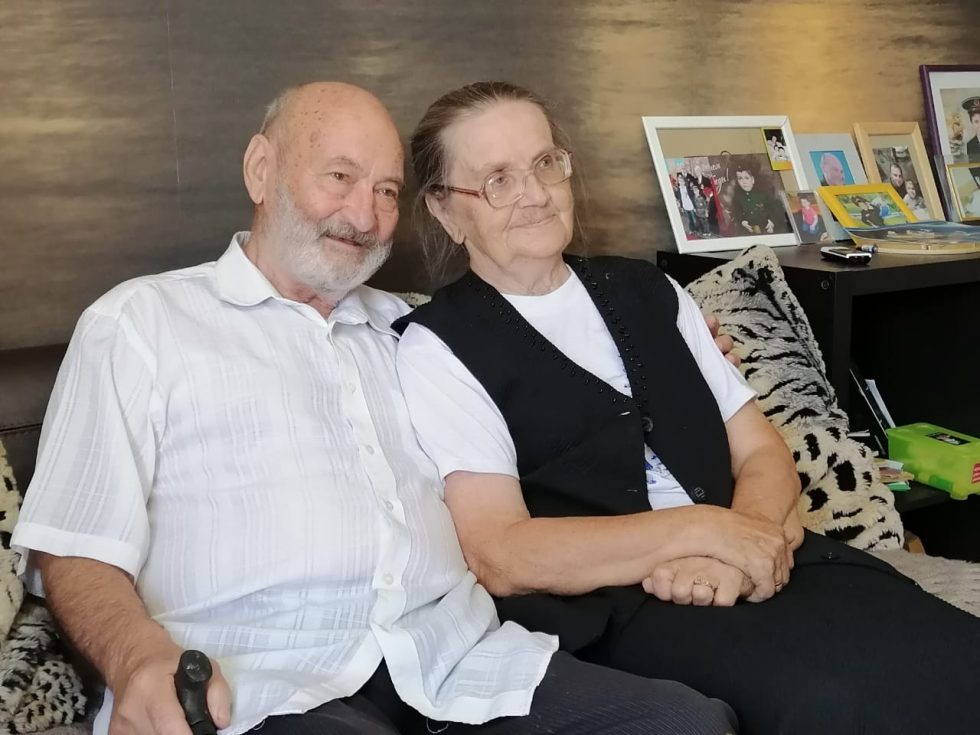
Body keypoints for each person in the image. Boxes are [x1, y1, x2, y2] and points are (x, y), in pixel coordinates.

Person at [11, 82, 739, 735]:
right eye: (340, 177)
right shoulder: (141, 324)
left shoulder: (417, 331)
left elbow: (544, 400)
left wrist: (678, 358)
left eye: (387, 191)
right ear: (261, 170)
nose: (364, 215)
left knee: (690, 723)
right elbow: (73, 543)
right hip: (265, 683)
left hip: (459, 663)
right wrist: (137, 659)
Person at [393, 80, 980, 735]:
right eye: (497, 180)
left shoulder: (651, 290)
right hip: (622, 611)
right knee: (844, 704)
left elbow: (761, 450)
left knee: (956, 653)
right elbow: (502, 553)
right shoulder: (438, 347)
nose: (533, 193)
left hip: (770, 561)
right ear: (445, 210)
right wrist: (703, 533)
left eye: (544, 163)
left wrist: (746, 544)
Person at [729, 162, 786, 234]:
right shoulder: (737, 198)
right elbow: (736, 211)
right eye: (740, 178)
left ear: (752, 179)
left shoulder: (763, 194)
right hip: (749, 231)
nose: (744, 182)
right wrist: (742, 221)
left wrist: (772, 222)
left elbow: (776, 208)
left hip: (766, 229)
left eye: (747, 178)